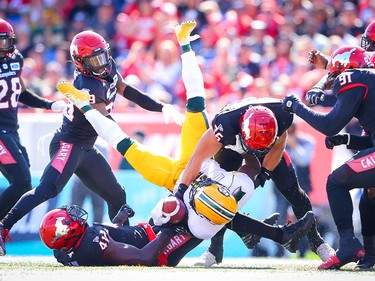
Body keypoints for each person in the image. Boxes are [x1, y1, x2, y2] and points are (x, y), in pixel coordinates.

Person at [56, 20, 315, 262]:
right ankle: (270, 234)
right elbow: (144, 257)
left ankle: (263, 234)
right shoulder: (91, 245)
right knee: (224, 197)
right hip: (189, 185)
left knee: (134, 140)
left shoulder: (90, 239)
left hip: (180, 180)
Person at [0, 29, 184, 256]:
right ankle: (2, 227)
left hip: (86, 147)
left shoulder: (108, 69)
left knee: (117, 195)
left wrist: (162, 106)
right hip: (68, 144)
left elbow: (130, 92)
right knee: (47, 189)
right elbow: (102, 121)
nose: (101, 63)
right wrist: (129, 145)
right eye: (93, 59)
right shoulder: (86, 84)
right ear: (80, 63)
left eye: (102, 56)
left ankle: (124, 242)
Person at [174, 96, 334, 264]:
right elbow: (196, 160)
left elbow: (279, 143)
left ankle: (318, 244)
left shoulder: (283, 114)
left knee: (293, 191)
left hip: (269, 147)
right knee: (219, 195)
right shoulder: (224, 126)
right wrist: (179, 193)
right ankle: (215, 250)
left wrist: (264, 173)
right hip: (232, 148)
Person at [282, 45, 375, 269]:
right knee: (369, 197)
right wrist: (346, 141)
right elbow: (369, 141)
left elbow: (330, 125)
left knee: (336, 181)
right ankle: (370, 255)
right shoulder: (367, 79)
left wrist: (297, 106)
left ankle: (347, 245)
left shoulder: (352, 77)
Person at [0, 18, 67, 221]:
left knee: (23, 184)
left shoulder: (15, 59)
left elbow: (19, 91)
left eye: (5, 42)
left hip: (11, 129)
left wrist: (48, 105)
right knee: (21, 182)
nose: (3, 48)